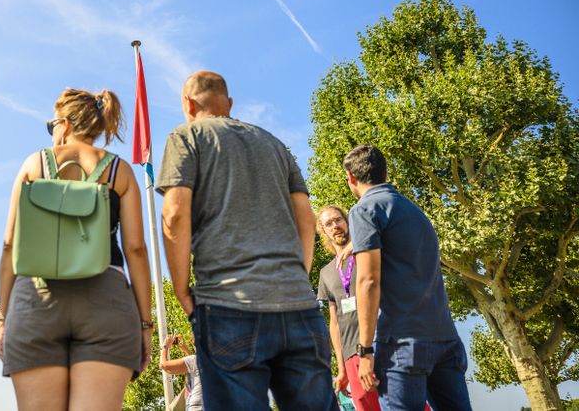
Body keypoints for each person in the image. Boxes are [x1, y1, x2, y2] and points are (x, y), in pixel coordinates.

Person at [158, 70, 338, 411]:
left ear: (188, 103)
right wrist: (299, 274)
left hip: (228, 304)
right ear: (229, 103)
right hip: (297, 304)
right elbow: (305, 214)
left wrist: (182, 291)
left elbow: (175, 215)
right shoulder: (273, 143)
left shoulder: (186, 137)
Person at [0, 88, 153, 411]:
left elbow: (9, 244)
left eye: (51, 124)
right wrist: (145, 325)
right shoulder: (119, 170)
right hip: (106, 302)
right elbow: (136, 249)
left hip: (37, 298)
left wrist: (3, 318)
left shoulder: (33, 164)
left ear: (65, 124)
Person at [345, 144, 472, 410]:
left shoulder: (364, 210)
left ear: (351, 178)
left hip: (402, 345)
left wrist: (365, 350)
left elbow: (368, 280)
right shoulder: (414, 211)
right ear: (384, 173)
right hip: (445, 339)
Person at [317, 205, 382, 411]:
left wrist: (359, 244)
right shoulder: (325, 273)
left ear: (347, 222)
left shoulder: (366, 253)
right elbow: (334, 323)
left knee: (403, 404)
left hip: (380, 343)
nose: (335, 226)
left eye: (338, 220)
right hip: (350, 354)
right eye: (329, 224)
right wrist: (342, 367)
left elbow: (387, 235)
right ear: (324, 231)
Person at [158, 334, 203, 411]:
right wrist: (187, 350)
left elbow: (164, 365)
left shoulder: (195, 360)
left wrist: (165, 346)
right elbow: (196, 370)